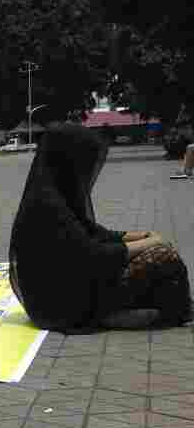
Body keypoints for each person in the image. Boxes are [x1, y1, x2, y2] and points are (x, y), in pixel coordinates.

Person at [10, 124, 192, 332]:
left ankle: (129, 311)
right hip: (60, 305)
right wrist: (149, 243)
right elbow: (92, 254)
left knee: (158, 254)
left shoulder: (53, 192)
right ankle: (107, 315)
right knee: (162, 256)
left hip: (69, 285)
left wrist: (138, 236)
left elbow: (92, 232)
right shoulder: (47, 205)